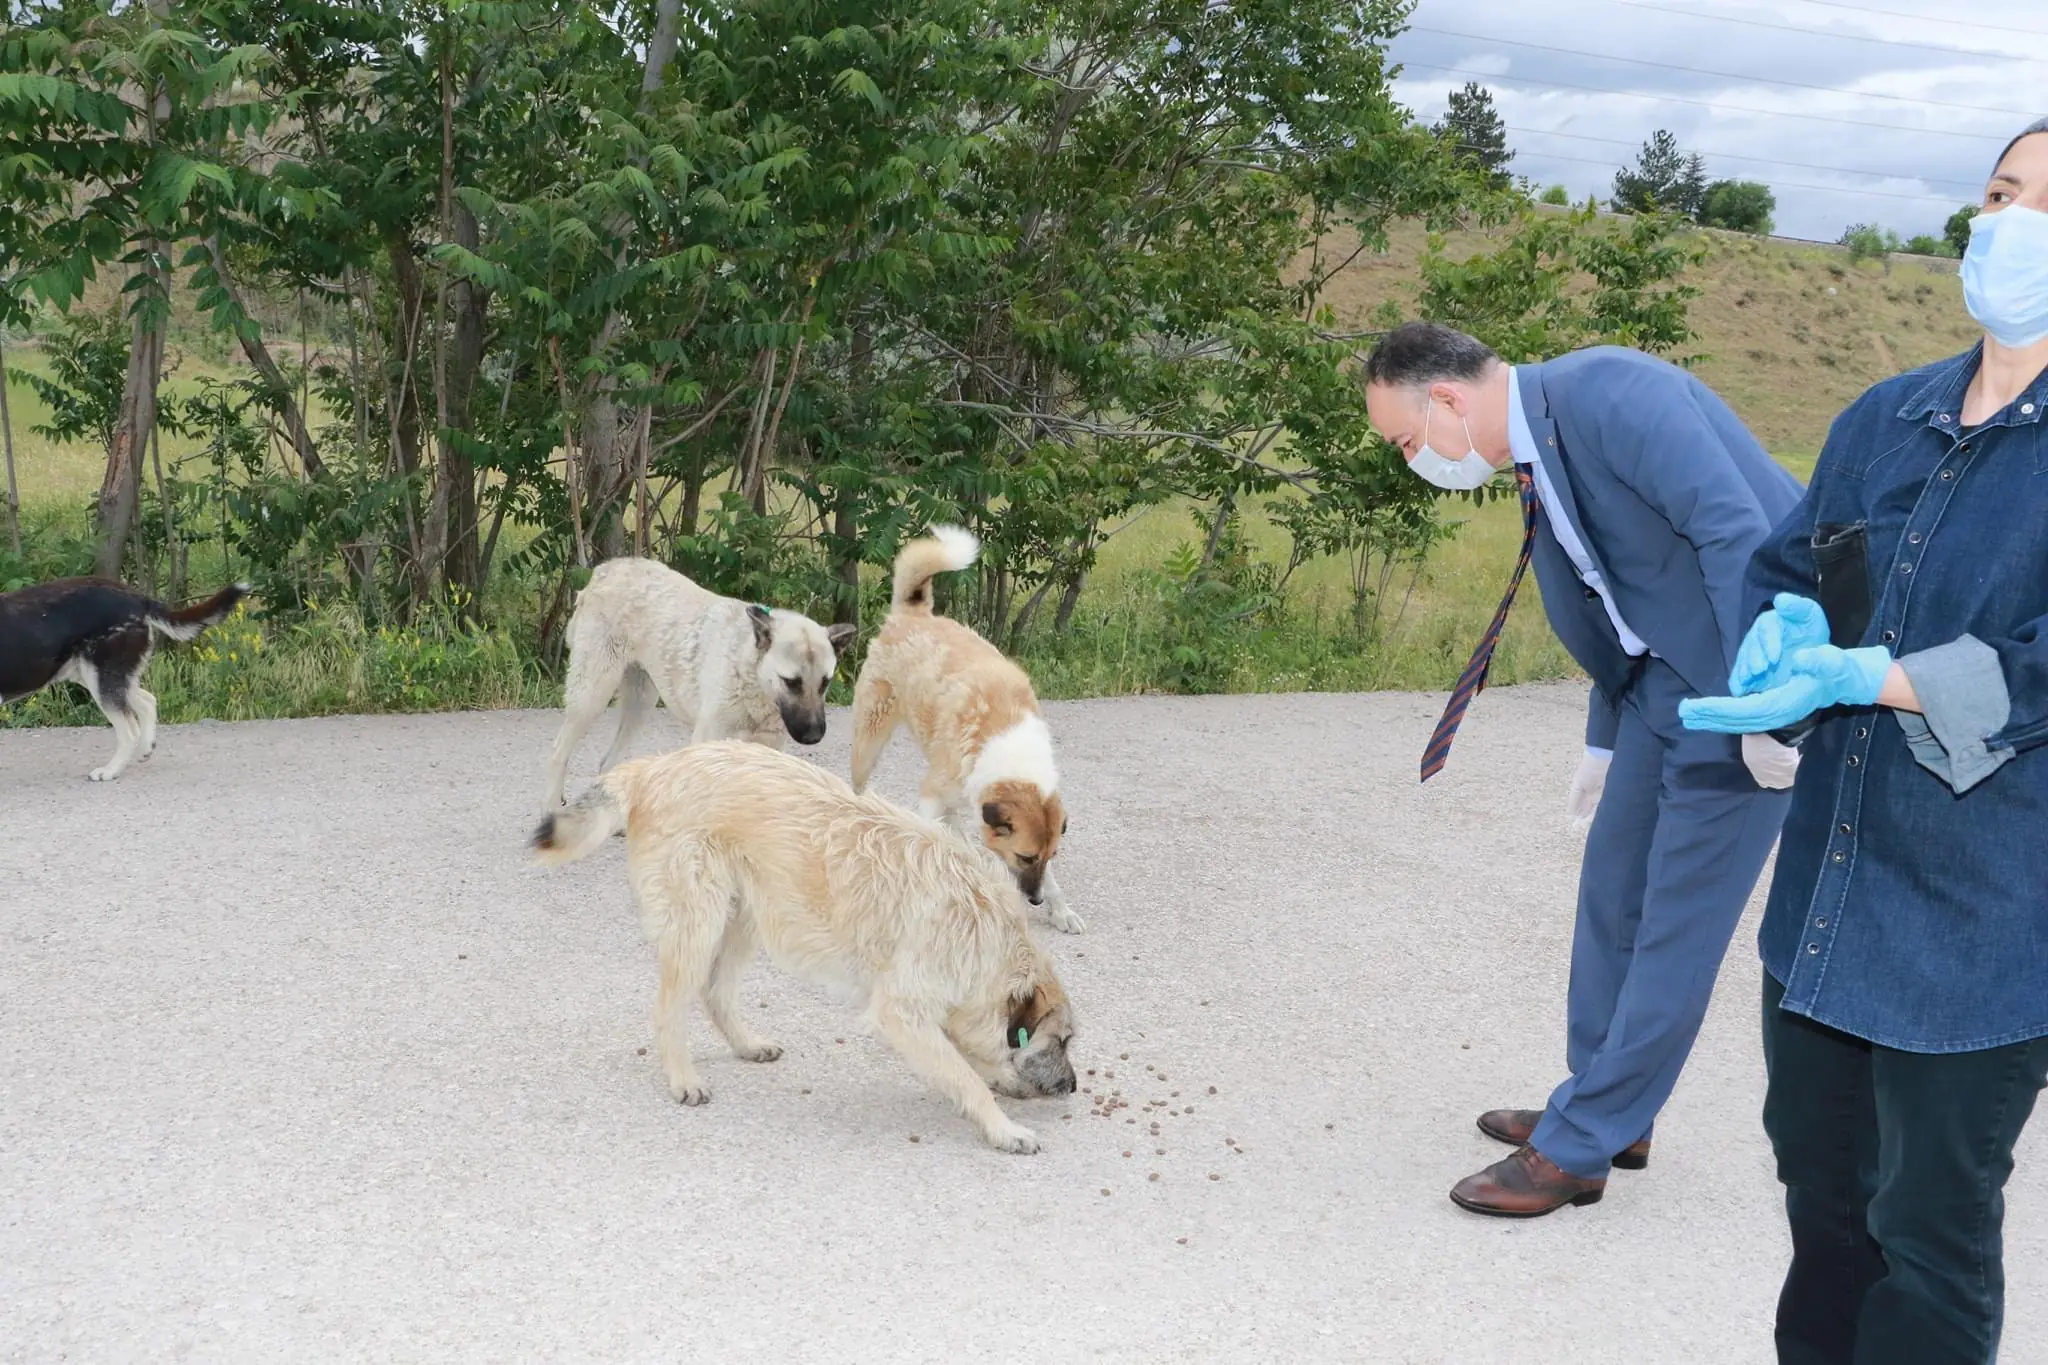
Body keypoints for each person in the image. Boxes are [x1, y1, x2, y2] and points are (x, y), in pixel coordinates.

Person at [1679, 117, 2048, 1364]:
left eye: (2044, 204)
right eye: (1998, 193)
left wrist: (1877, 677)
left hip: (1982, 924)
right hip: (1827, 902)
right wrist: (1778, 644)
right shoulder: (1885, 416)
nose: (2010, 224)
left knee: (1926, 1237)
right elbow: (1793, 565)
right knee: (1822, 1211)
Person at [1360, 322, 1806, 1216]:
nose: (1413, 460)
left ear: (1446, 399)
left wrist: (1771, 707)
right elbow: (1615, 598)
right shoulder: (1539, 449)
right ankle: (1606, 1108)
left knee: (1676, 924)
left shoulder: (1610, 393)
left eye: (1406, 441)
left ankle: (1581, 1141)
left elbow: (1738, 536)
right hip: (1661, 685)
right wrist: (1604, 737)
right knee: (1613, 891)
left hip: (1742, 678)